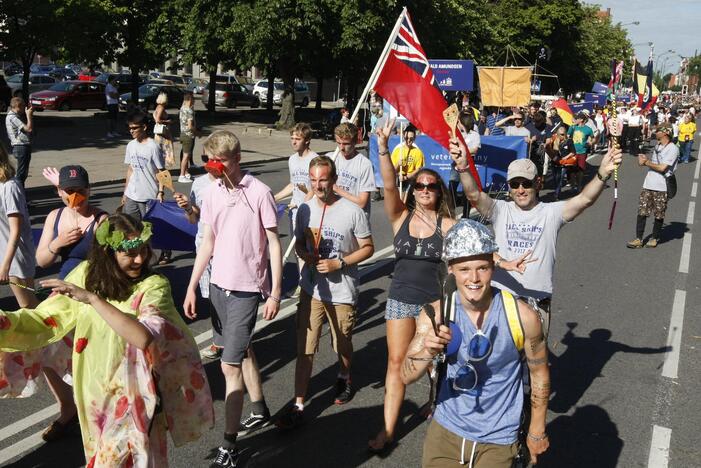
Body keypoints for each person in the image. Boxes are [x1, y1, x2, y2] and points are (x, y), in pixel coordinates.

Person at [0, 213, 214, 466]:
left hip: (136, 395)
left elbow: (143, 337)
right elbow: (45, 320)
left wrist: (92, 299)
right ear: (108, 253)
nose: (139, 259)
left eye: (143, 250)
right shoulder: (86, 274)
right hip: (94, 392)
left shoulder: (153, 286)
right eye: (129, 253)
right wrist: (4, 321)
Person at [401, 219, 550, 467]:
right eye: (464, 269)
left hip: (499, 437)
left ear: (493, 267)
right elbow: (406, 375)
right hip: (446, 432)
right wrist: (428, 349)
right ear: (451, 269)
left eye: (482, 268)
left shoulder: (523, 316)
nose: (474, 278)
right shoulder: (436, 314)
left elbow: (539, 373)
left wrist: (537, 429)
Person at [449, 136, 622, 337]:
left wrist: (602, 174)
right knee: (501, 364)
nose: (520, 190)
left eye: (526, 183)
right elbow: (474, 196)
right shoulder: (500, 210)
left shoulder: (552, 212)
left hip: (536, 302)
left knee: (535, 365)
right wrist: (462, 166)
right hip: (500, 301)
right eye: (515, 184)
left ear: (538, 183)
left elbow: (584, 199)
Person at [183, 130, 282, 468]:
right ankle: (260, 409)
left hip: (247, 290)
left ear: (237, 159)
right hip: (219, 288)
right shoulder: (211, 193)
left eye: (221, 161)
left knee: (229, 365)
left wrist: (275, 293)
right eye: (210, 160)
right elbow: (207, 242)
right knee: (241, 350)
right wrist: (193, 285)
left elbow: (274, 244)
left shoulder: (259, 193)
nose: (214, 166)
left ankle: (230, 444)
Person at [368, 119, 455, 453]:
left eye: (431, 186)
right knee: (396, 363)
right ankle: (388, 430)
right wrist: (383, 148)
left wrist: (504, 263)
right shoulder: (399, 217)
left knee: (434, 362)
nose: (424, 190)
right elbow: (389, 186)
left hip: (433, 303)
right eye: (419, 185)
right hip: (400, 299)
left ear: (439, 191)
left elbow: (473, 256)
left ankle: (436, 403)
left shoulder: (449, 224)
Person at [276, 155, 374, 429]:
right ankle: (298, 403)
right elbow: (299, 245)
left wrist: (339, 262)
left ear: (334, 180)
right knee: (305, 348)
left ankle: (344, 374)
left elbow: (368, 247)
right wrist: (306, 255)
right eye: (314, 180)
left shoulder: (351, 211)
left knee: (341, 344)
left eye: (324, 180)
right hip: (311, 289)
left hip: (342, 291)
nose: (319, 186)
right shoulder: (305, 208)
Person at [174, 172, 217, 358]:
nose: (210, 163)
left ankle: (234, 340)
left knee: (226, 295)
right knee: (212, 297)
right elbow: (193, 219)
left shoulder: (232, 182)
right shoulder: (199, 184)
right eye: (205, 158)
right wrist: (189, 208)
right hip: (203, 245)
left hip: (225, 246)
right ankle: (219, 340)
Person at [274, 123, 318, 297]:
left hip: (311, 212)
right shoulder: (292, 159)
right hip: (295, 211)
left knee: (310, 250)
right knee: (298, 249)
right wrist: (275, 197)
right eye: (292, 138)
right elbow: (293, 185)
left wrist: (304, 204)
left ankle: (312, 282)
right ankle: (303, 283)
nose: (293, 142)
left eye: (297, 139)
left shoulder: (314, 160)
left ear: (307, 141)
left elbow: (315, 188)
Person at [121, 111, 170, 265]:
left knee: (151, 230)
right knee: (130, 229)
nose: (131, 131)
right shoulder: (130, 145)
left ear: (144, 127)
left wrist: (161, 191)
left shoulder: (153, 147)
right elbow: (130, 169)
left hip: (148, 195)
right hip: (132, 195)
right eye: (129, 128)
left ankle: (165, 249)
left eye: (134, 128)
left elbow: (162, 171)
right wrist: (125, 192)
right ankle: (138, 256)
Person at [627, 125, 679, 249]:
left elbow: (662, 167)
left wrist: (646, 162)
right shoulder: (657, 146)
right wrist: (644, 160)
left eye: (658, 131)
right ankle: (638, 239)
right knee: (642, 212)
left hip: (662, 186)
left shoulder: (672, 149)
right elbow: (654, 164)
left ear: (666, 133)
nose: (656, 132)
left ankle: (654, 237)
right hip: (648, 183)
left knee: (659, 214)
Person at [328, 122, 376, 215]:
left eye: (346, 144)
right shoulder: (330, 159)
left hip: (355, 220)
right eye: (338, 143)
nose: (341, 147)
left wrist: (336, 189)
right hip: (334, 217)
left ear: (354, 142)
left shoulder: (364, 164)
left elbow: (362, 202)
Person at [5, 97, 34, 187]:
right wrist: (29, 115)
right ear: (18, 106)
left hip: (20, 147)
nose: (24, 109)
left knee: (22, 173)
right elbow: (29, 129)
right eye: (23, 106)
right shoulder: (13, 117)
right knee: (21, 174)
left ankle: (21, 194)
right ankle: (20, 195)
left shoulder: (14, 116)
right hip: (21, 147)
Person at [566, 112, 595, 192]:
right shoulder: (573, 127)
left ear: (581, 120)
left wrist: (590, 142)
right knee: (572, 169)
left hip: (582, 151)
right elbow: (567, 136)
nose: (576, 119)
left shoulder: (588, 129)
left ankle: (579, 185)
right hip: (572, 152)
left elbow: (592, 138)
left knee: (580, 169)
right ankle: (572, 185)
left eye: (578, 118)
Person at [178, 92, 198, 183]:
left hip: (182, 133)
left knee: (184, 154)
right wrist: (197, 131)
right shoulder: (189, 111)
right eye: (193, 99)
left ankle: (185, 173)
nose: (194, 101)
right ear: (190, 99)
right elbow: (190, 126)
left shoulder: (182, 109)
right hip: (188, 135)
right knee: (186, 156)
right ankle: (182, 175)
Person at [153, 92, 175, 168]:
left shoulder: (157, 107)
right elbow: (158, 120)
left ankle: (160, 166)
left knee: (160, 150)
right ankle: (162, 167)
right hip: (163, 133)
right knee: (164, 150)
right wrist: (167, 121)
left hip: (159, 132)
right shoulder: (161, 108)